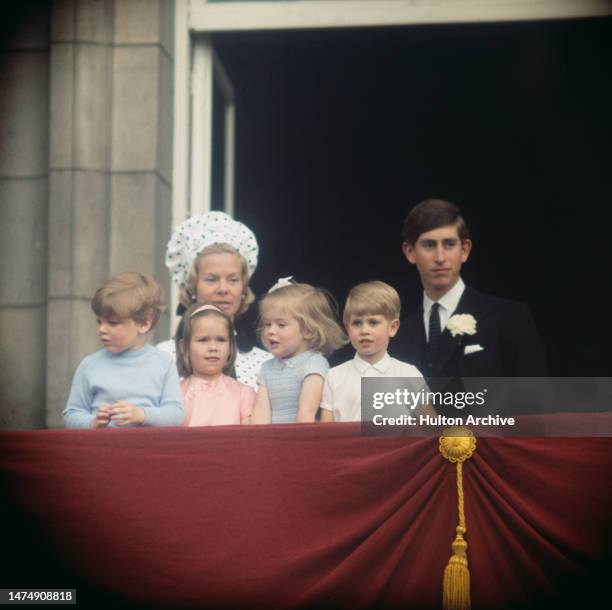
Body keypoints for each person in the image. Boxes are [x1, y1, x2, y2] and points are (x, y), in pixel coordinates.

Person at [394, 199, 548, 386]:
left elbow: (534, 403)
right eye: (429, 245)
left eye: (449, 244)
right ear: (410, 252)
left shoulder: (509, 318)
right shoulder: (397, 334)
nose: (440, 257)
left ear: (465, 250)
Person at [161, 211, 272, 389]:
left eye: (233, 279)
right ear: (192, 286)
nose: (223, 289)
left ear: (243, 287)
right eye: (211, 279)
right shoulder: (162, 358)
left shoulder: (267, 365)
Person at [63, 272, 184, 429]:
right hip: (102, 450)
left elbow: (176, 414)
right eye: (99, 321)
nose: (101, 329)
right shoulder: (89, 365)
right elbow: (71, 414)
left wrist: (142, 415)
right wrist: (91, 422)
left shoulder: (163, 363)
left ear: (144, 324)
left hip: (146, 451)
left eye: (112, 323)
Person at [320, 281, 431, 422]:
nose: (364, 331)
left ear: (393, 327)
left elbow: (430, 427)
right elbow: (325, 432)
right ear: (347, 328)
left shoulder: (408, 373)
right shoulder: (334, 376)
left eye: (373, 322)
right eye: (357, 323)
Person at [251, 278, 347, 424]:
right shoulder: (267, 368)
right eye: (267, 324)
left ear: (308, 330)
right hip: (271, 441)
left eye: (281, 324)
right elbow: (261, 412)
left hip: (300, 439)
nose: (270, 331)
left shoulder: (314, 364)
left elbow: (306, 412)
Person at [177, 304, 255, 426]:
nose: (213, 347)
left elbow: (250, 438)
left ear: (230, 346)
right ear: (184, 347)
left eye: (221, 340)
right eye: (203, 340)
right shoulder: (176, 394)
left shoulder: (243, 394)